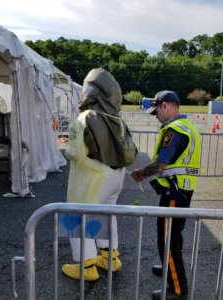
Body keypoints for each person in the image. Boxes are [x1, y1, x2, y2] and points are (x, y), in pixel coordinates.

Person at [62, 68, 137, 281]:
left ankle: (86, 268)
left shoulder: (86, 117)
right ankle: (111, 258)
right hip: (116, 177)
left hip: (91, 177)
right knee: (106, 215)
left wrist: (67, 149)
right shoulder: (117, 118)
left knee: (76, 217)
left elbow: (76, 153)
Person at [131, 90, 201, 300]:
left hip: (174, 192)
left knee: (169, 239)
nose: (156, 117)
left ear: (165, 106)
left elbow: (162, 163)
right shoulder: (187, 126)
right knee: (169, 235)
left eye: (156, 112)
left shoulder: (175, 130)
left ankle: (178, 290)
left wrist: (141, 173)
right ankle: (168, 267)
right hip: (180, 190)